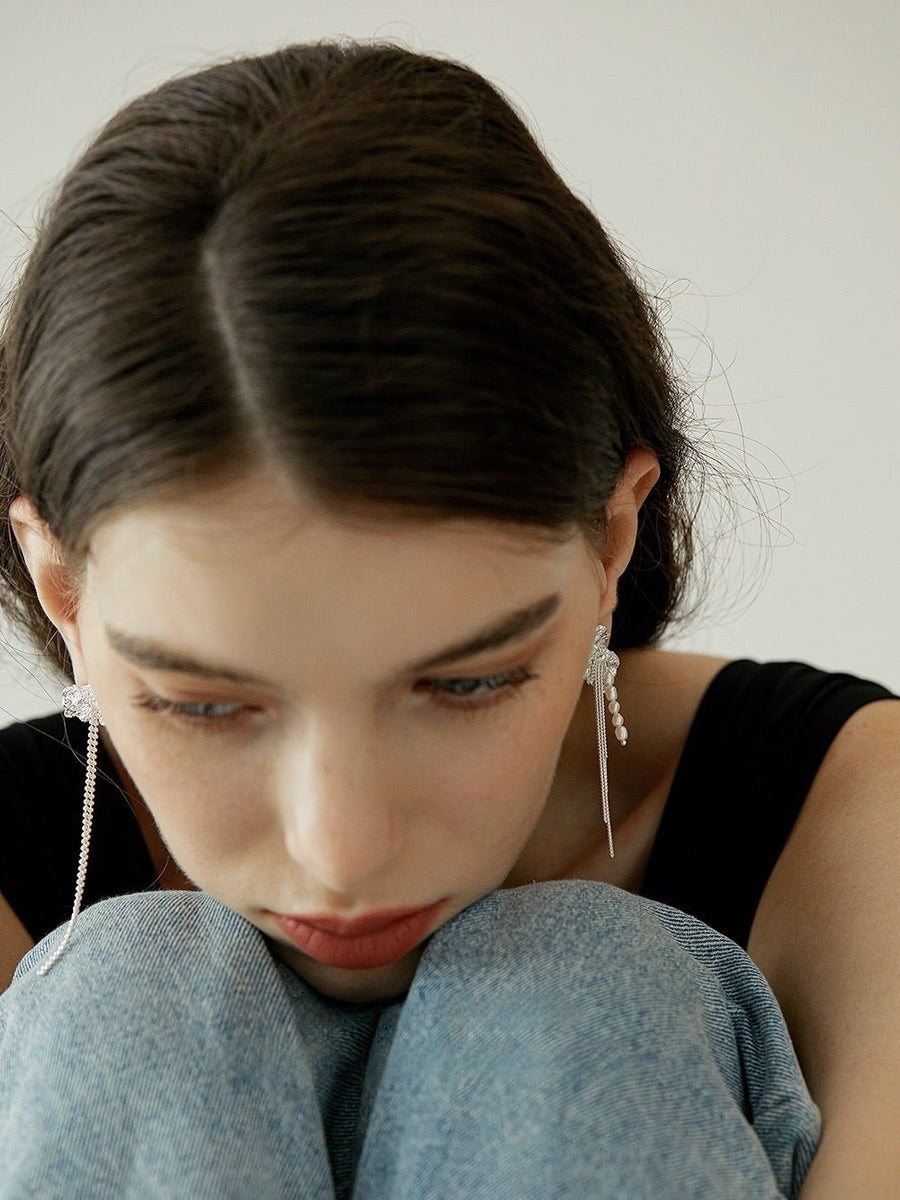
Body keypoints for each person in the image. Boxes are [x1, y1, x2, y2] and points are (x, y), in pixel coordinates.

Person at [0, 37, 896, 1198]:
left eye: (468, 683)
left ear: (613, 539)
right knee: (135, 989)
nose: (343, 849)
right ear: (65, 591)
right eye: (206, 703)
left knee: (580, 982)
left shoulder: (846, 814)